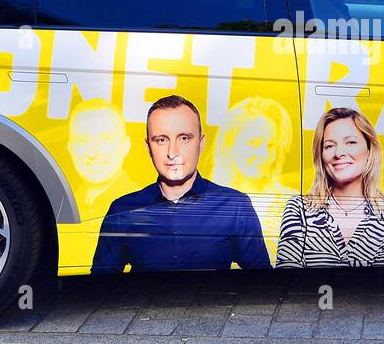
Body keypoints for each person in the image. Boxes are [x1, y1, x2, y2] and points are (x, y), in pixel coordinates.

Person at [93, 95, 270, 272]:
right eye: (161, 140)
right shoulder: (122, 211)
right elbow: (98, 291)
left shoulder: (235, 206)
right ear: (148, 147)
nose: (172, 152)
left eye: (184, 138)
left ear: (201, 143)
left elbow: (264, 286)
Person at [277, 107, 384, 267]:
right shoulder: (298, 209)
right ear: (320, 156)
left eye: (351, 142)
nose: (338, 153)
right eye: (329, 146)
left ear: (370, 150)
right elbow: (288, 276)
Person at [209, 96, 296, 261]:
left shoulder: (292, 203)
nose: (264, 155)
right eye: (254, 143)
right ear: (229, 143)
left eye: (271, 145)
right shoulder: (202, 198)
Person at [66, 99, 135, 219]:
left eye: (105, 139)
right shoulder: (62, 207)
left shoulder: (142, 207)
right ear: (70, 148)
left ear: (126, 146)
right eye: (82, 140)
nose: (92, 152)